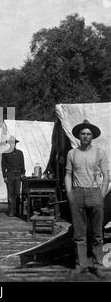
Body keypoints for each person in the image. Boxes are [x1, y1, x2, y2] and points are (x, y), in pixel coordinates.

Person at [65, 119, 109, 279]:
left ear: (92, 136)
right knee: (79, 233)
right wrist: (70, 194)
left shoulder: (99, 152)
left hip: (95, 193)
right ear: (78, 136)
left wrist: (101, 194)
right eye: (83, 133)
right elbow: (68, 175)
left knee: (97, 232)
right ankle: (81, 265)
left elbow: (106, 175)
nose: (85, 136)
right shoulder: (72, 153)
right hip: (78, 194)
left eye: (88, 134)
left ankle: (98, 265)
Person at [1, 136, 25, 217]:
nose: (13, 145)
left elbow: (22, 164)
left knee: (17, 193)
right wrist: (5, 176)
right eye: (11, 143)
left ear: (15, 144)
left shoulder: (20, 153)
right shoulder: (5, 153)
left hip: (18, 174)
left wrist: (23, 173)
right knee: (10, 193)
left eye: (14, 143)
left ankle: (17, 211)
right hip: (10, 174)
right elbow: (3, 166)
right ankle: (11, 211)